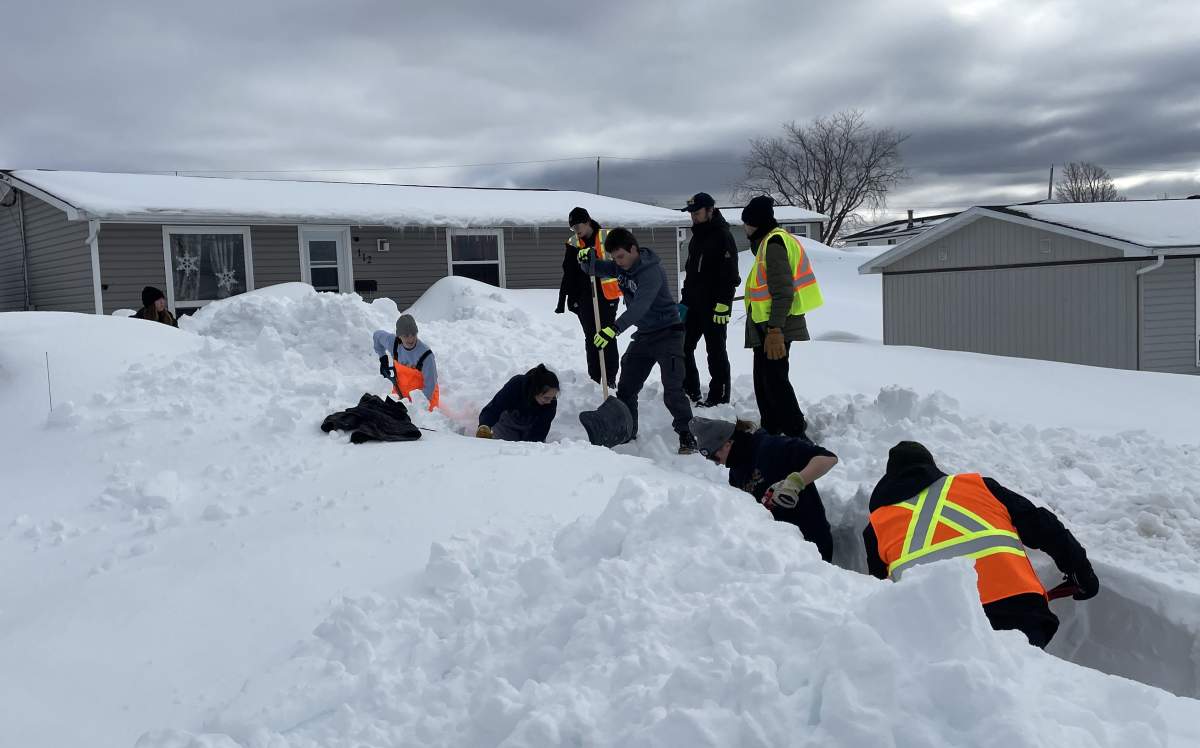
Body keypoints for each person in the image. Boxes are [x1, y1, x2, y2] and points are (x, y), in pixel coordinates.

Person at [863, 441, 1100, 649]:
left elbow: (880, 589)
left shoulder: (878, 523)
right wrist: (1080, 570)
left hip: (940, 627)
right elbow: (1042, 525)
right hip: (1020, 611)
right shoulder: (979, 487)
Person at [580, 228, 697, 454]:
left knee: (673, 390)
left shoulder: (650, 272)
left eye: (621, 256)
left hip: (668, 334)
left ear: (634, 249)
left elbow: (640, 307)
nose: (618, 262)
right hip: (644, 335)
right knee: (626, 388)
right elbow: (595, 269)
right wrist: (587, 259)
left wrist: (613, 329)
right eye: (614, 257)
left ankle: (687, 435)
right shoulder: (623, 267)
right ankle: (628, 429)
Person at [691, 416, 838, 562]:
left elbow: (827, 457)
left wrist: (794, 483)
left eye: (713, 457)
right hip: (778, 553)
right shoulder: (735, 474)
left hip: (813, 545)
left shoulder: (772, 447)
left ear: (727, 443)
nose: (716, 463)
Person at [741, 196, 823, 438]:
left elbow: (783, 291)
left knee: (775, 381)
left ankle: (794, 430)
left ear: (755, 223)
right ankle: (772, 426)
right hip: (766, 325)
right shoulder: (770, 242)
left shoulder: (774, 245)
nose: (744, 227)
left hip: (775, 326)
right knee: (765, 380)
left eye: (746, 222)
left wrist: (775, 330)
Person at [679, 193, 740, 407]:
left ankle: (719, 397)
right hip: (694, 304)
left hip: (715, 306)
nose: (693, 217)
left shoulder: (723, 236)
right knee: (684, 346)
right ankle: (691, 390)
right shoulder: (697, 237)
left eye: (697, 213)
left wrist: (724, 303)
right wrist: (683, 303)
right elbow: (691, 273)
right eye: (692, 214)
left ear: (710, 210)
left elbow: (731, 275)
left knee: (715, 351)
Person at [558, 207, 620, 388]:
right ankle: (594, 377)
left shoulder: (607, 236)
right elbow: (568, 271)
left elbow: (619, 262)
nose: (576, 230)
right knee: (591, 336)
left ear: (588, 221)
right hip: (584, 295)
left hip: (607, 294)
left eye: (578, 225)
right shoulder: (573, 242)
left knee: (606, 335)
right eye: (572, 227)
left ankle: (610, 378)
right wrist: (566, 299)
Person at [372, 314, 440, 411]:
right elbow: (377, 335)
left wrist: (415, 408)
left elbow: (430, 385)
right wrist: (383, 358)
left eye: (413, 334)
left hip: (425, 396)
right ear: (399, 335)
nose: (410, 339)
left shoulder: (426, 355)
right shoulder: (393, 343)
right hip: (400, 391)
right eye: (406, 335)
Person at [475, 364, 559, 442]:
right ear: (535, 391)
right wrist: (485, 425)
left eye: (553, 397)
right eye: (546, 398)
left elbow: (541, 429)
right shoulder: (517, 384)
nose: (549, 401)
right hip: (508, 422)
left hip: (531, 426)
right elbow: (495, 407)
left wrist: (529, 447)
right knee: (504, 445)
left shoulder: (551, 402)